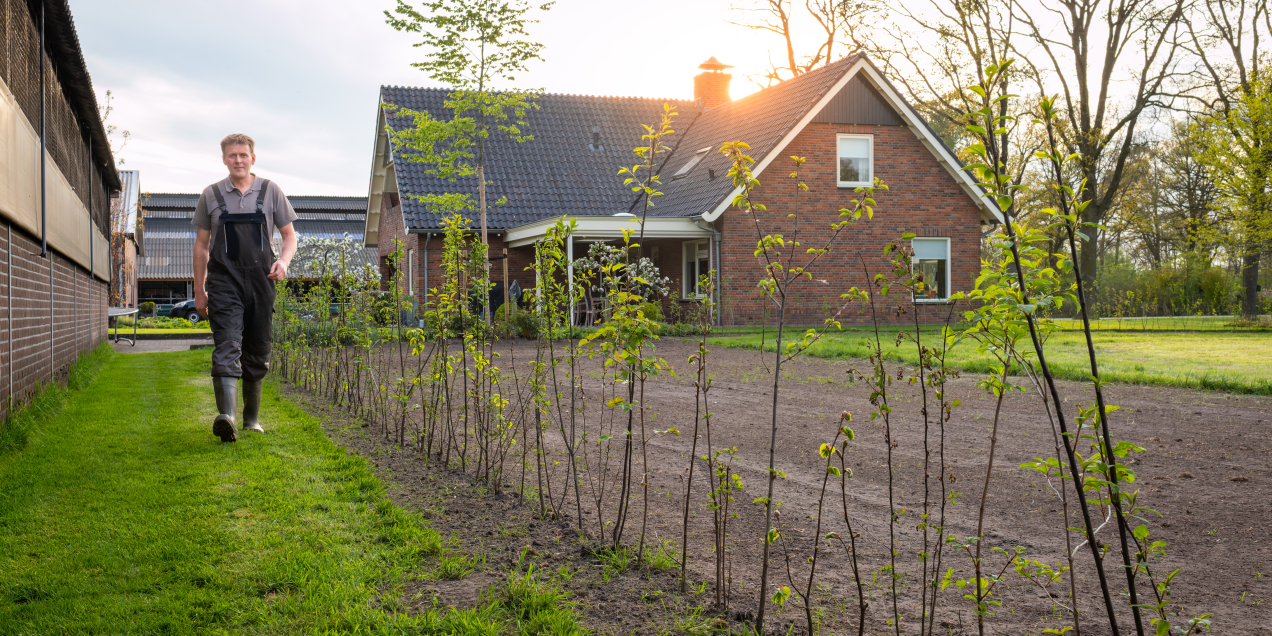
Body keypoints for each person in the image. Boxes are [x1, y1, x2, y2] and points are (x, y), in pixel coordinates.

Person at [192, 134, 297, 442]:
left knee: (257, 348)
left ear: (253, 157)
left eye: (243, 154)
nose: (238, 160)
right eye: (232, 155)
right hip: (224, 282)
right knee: (227, 345)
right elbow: (201, 246)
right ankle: (228, 418)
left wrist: (285, 263)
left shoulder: (271, 191)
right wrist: (200, 290)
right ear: (224, 159)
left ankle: (251, 419)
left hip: (262, 282)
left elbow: (290, 236)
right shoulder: (210, 195)